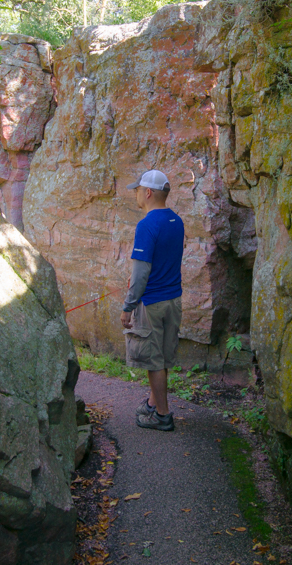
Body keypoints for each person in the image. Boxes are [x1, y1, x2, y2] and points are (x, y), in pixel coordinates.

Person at [121, 170, 184, 431]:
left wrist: (128, 306)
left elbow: (141, 271)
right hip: (173, 300)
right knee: (162, 357)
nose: (135, 193)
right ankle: (152, 402)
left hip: (152, 303)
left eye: (137, 189)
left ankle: (162, 415)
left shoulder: (146, 224)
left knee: (153, 361)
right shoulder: (176, 221)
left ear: (148, 192)